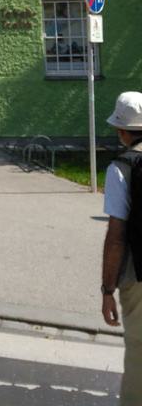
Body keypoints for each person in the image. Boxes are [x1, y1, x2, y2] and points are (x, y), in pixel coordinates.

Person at [101, 91, 142, 405]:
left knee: (139, 357)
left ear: (123, 132)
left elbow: (116, 236)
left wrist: (107, 289)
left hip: (137, 273)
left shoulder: (122, 167)